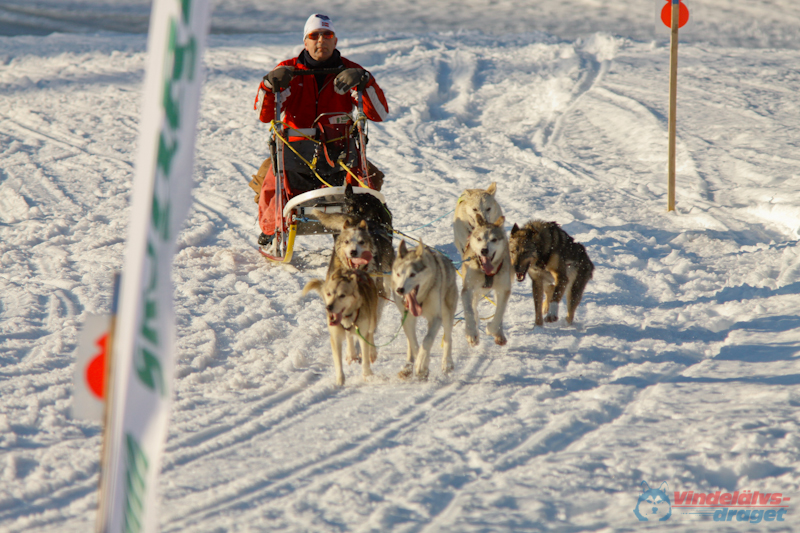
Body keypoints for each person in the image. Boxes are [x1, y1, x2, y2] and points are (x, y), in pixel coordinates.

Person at [252, 13, 389, 249]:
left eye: (327, 35)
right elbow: (264, 115)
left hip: (339, 152)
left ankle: (370, 231)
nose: (321, 40)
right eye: (314, 35)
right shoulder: (288, 70)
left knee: (369, 179)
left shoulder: (351, 70)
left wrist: (366, 80)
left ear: (335, 41)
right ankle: (272, 229)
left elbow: (380, 114)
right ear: (305, 41)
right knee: (269, 180)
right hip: (296, 150)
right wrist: (268, 84)